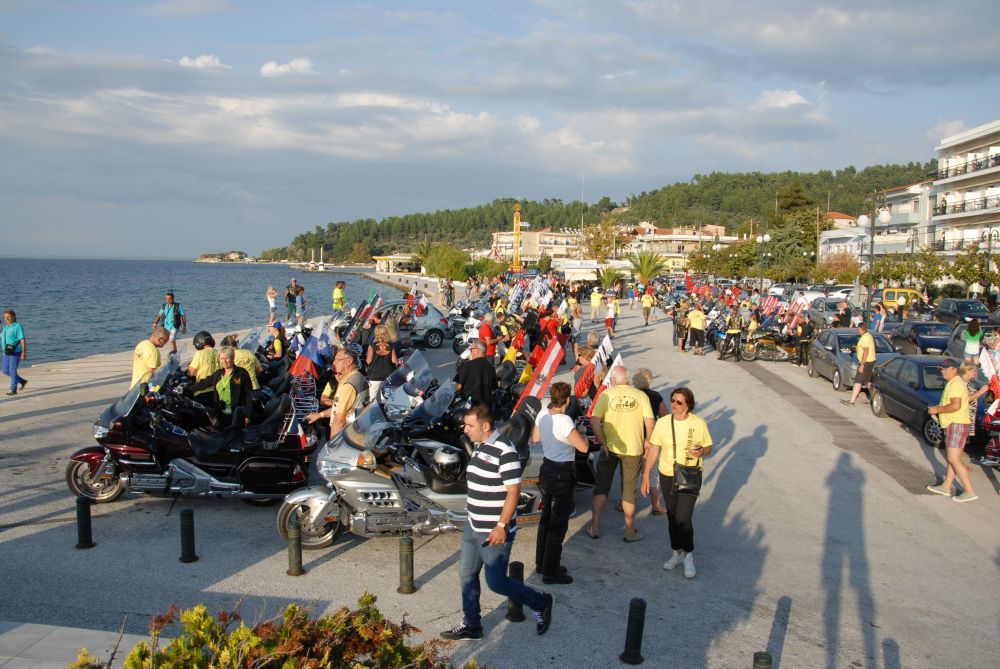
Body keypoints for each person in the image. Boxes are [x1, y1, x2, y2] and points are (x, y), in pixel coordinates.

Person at [440, 404, 553, 640]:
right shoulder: (480, 445)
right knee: (467, 576)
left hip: (494, 532)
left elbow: (513, 492)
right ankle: (472, 625)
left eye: (470, 425)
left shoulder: (505, 451)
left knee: (497, 582)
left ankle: (540, 602)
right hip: (473, 526)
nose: (465, 429)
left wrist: (501, 526)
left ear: (486, 426)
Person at [641, 386, 713, 579]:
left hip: (689, 473)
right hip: (667, 474)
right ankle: (677, 553)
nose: (674, 404)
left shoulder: (698, 423)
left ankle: (688, 555)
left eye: (679, 402)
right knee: (672, 516)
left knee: (684, 517)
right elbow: (654, 449)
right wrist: (646, 474)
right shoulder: (663, 423)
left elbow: (709, 447)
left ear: (688, 405)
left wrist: (701, 451)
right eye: (672, 400)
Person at [587, 366, 655, 542]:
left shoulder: (606, 395)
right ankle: (630, 531)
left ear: (614, 380)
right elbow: (650, 423)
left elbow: (594, 422)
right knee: (629, 491)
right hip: (633, 449)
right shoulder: (641, 396)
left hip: (609, 448)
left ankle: (594, 527)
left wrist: (603, 441)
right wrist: (647, 441)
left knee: (602, 486)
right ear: (627, 379)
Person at [532, 382, 589, 584]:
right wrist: (581, 432)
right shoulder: (565, 420)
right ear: (567, 400)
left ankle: (542, 563)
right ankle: (551, 572)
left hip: (547, 468)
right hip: (562, 473)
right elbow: (583, 448)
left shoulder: (543, 413)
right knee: (558, 525)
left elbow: (536, 438)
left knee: (546, 519)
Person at [926, 359, 977, 503]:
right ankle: (946, 486)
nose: (943, 371)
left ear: (954, 369)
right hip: (957, 424)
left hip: (956, 424)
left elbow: (955, 405)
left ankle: (969, 491)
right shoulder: (956, 382)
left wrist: (936, 409)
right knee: (953, 459)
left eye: (946, 369)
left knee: (953, 459)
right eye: (941, 369)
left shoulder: (955, 384)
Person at [305, 347, 368, 437]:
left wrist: (332, 443)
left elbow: (339, 420)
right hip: (358, 431)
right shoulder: (358, 376)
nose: (334, 363)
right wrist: (319, 415)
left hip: (348, 435)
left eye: (338, 360)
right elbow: (340, 408)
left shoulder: (349, 385)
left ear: (349, 361)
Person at [631, 368, 668, 515]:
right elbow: (665, 417)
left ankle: (625, 503)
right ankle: (656, 505)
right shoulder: (655, 396)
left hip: (632, 436)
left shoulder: (630, 395)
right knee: (652, 472)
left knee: (630, 472)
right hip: (650, 438)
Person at [189, 346, 253, 422]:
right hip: (220, 414)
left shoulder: (241, 373)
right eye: (222, 358)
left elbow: (249, 394)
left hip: (236, 414)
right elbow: (204, 383)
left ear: (233, 358)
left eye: (227, 358)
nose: (224, 361)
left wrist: (248, 415)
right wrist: (188, 389)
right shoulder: (218, 374)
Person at [841, 322, 875, 407]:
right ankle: (875, 399)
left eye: (858, 329)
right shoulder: (868, 335)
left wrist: (862, 364)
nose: (857, 330)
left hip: (866, 362)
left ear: (861, 329)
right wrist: (856, 348)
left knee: (858, 381)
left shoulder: (865, 338)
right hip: (870, 361)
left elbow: (866, 351)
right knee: (868, 381)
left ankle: (851, 401)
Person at [456, 340, 498, 406]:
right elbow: (493, 390)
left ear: (477, 350)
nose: (471, 352)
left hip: (470, 405)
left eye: (471, 349)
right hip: (485, 406)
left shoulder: (467, 365)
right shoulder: (491, 367)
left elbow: (458, 387)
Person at [365, 325, 398, 398]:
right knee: (386, 397)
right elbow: (394, 361)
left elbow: (368, 361)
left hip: (375, 375)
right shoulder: (391, 346)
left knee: (372, 398)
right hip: (388, 375)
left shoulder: (372, 346)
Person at [2, 310, 28, 396]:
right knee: (5, 370)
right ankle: (22, 381)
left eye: (8, 317)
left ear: (13, 316)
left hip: (15, 351)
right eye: (5, 317)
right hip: (6, 351)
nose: (6, 318)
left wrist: (23, 352)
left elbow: (22, 339)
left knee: (12, 370)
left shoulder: (17, 326)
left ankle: (13, 389)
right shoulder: (6, 327)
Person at [187, 331, 220, 399]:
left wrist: (189, 367)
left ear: (198, 343)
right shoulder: (218, 353)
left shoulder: (199, 354)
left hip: (202, 390)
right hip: (217, 390)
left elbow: (190, 373)